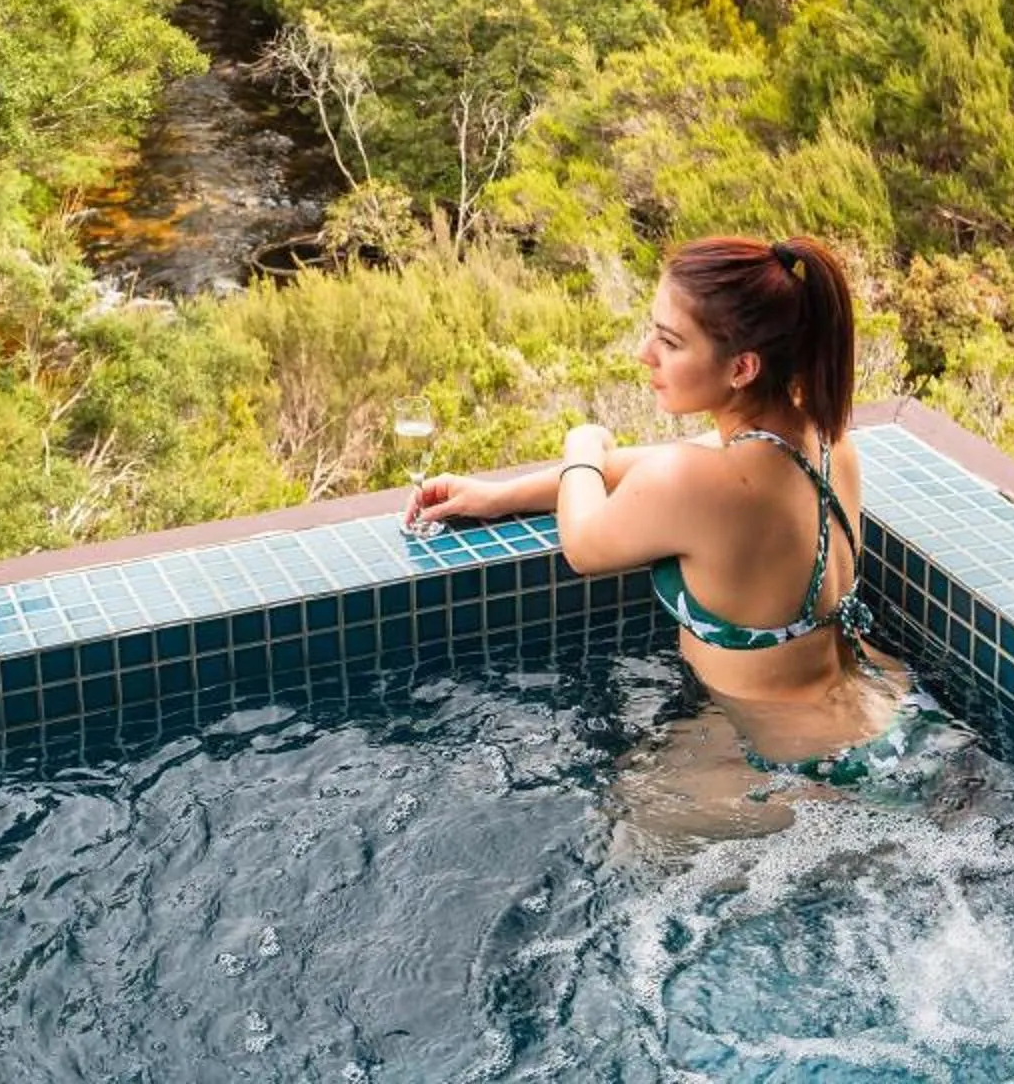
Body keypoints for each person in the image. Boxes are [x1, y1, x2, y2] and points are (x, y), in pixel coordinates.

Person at [405, 234, 949, 812]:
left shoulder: (692, 482)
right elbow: (634, 473)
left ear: (742, 367)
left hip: (805, 765)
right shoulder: (822, 438)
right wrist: (499, 495)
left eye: (668, 341)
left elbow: (584, 544)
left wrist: (580, 440)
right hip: (890, 710)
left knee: (626, 827)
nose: (645, 354)